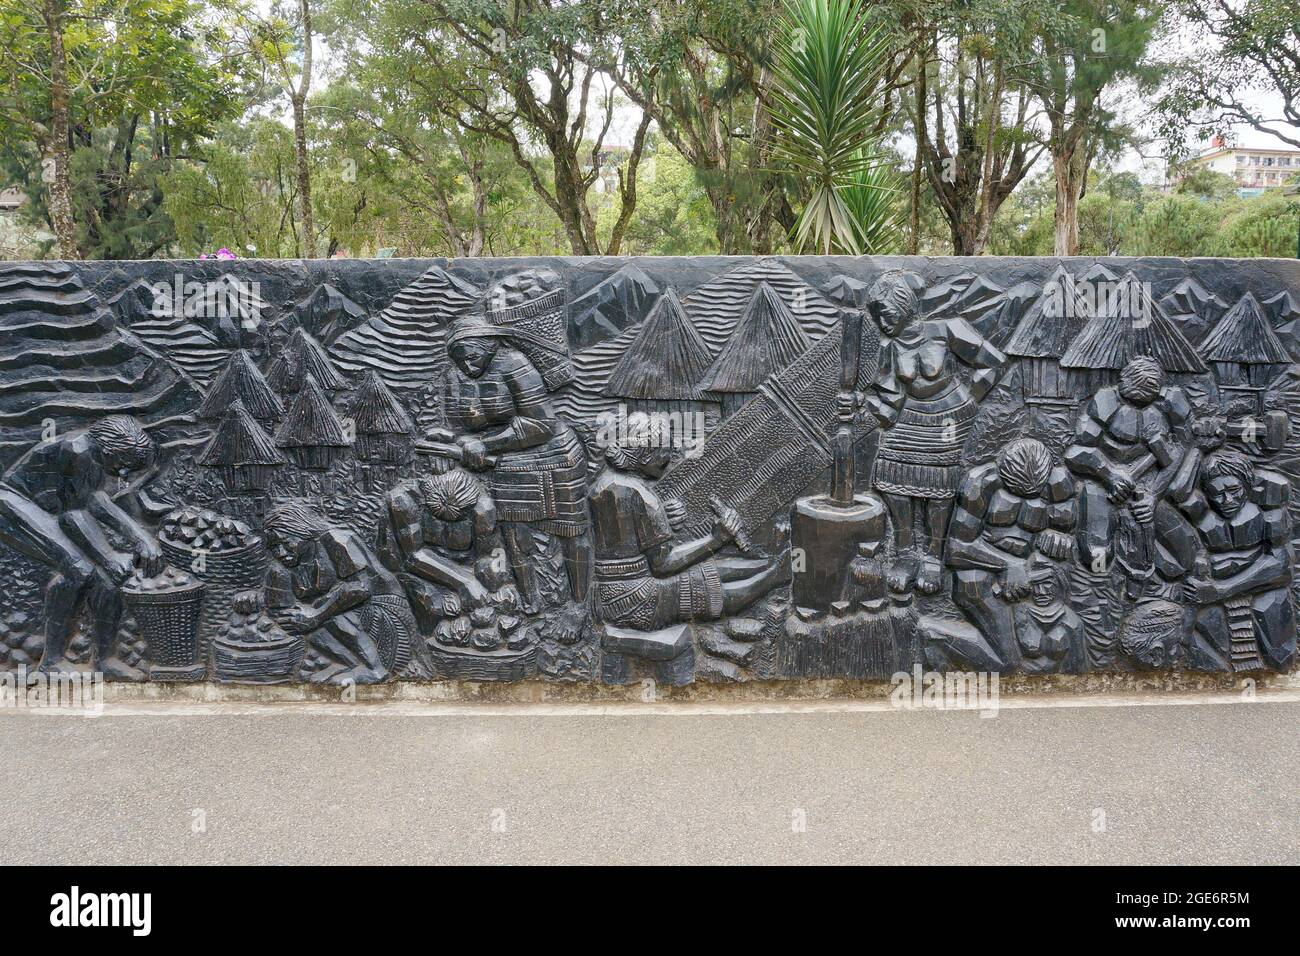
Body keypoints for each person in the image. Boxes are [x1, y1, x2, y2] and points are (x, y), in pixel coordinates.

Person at [843, 270, 1006, 595]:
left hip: (948, 416)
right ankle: (905, 554)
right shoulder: (888, 346)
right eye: (875, 316)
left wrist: (971, 401)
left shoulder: (947, 329)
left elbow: (992, 362)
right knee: (893, 481)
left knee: (939, 488)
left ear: (902, 305)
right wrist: (863, 403)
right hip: (908, 417)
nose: (881, 321)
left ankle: (933, 556)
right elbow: (890, 400)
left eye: (885, 313)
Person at [438, 313, 592, 637]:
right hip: (504, 464)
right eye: (459, 359)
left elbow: (541, 423)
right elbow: (456, 428)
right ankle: (529, 603)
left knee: (571, 532)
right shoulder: (454, 379)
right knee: (513, 535)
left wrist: (486, 443)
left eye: (473, 356)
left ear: (488, 346)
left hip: (554, 457)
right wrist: (456, 446)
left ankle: (578, 607)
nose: (467, 365)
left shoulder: (513, 363)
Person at [0, 415, 162, 678]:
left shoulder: (96, 453)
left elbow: (95, 500)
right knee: (77, 568)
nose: (123, 474)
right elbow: (73, 516)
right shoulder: (77, 449)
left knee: (108, 580)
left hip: (51, 508)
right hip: (12, 505)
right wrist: (109, 556)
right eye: (123, 465)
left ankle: (104, 661)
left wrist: (140, 537)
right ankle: (50, 663)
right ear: (110, 449)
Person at [1063, 356, 1194, 667]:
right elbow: (1076, 452)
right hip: (1102, 483)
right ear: (1122, 385)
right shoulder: (1105, 401)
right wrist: (1108, 472)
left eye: (1148, 395)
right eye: (1134, 395)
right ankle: (1098, 614)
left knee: (1182, 553)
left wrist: (1153, 495)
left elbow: (1180, 451)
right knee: (1097, 555)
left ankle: (1146, 593)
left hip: (1151, 487)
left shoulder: (1172, 404)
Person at [589, 438, 788, 631]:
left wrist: (662, 520)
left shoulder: (601, 486)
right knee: (699, 588)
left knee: (707, 570)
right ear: (645, 457)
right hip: (638, 600)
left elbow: (625, 535)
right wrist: (716, 539)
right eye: (665, 450)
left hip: (608, 594)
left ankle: (768, 564)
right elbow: (662, 565)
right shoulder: (643, 495)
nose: (670, 457)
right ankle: (776, 575)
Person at [945, 438, 1078, 671]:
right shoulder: (981, 483)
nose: (1026, 499)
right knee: (1012, 661)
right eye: (1016, 491)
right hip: (983, 568)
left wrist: (1058, 536)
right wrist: (1008, 565)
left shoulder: (1059, 483)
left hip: (1035, 570)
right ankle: (938, 637)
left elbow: (1066, 533)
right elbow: (956, 548)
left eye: (1034, 494)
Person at [263, 500, 432, 683]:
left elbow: (360, 588)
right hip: (345, 614)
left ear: (302, 531)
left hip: (383, 608)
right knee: (298, 618)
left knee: (324, 607)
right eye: (273, 547)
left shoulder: (337, 540)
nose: (280, 552)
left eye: (286, 543)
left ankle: (375, 669)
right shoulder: (289, 564)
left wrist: (316, 615)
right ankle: (352, 664)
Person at [1169, 446, 1296, 672]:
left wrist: (1221, 589)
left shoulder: (1270, 512)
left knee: (1280, 659)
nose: (1227, 500)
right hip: (1212, 595)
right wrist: (1197, 448)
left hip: (1261, 589)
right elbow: (1178, 492)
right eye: (1217, 493)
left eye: (1233, 490)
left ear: (1248, 485)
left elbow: (1282, 566)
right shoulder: (1203, 511)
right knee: (1205, 661)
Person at [377, 467, 499, 634]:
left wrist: (489, 577)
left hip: (463, 568)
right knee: (433, 606)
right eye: (436, 516)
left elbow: (487, 555)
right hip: (416, 570)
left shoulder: (483, 508)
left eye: (456, 521)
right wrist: (464, 582)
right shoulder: (403, 500)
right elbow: (413, 557)